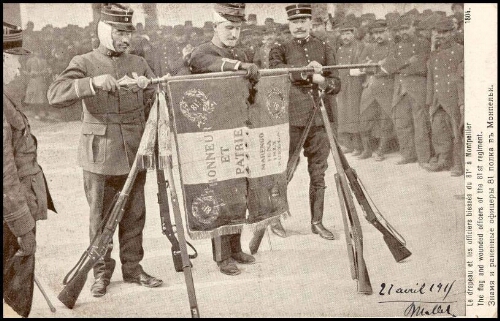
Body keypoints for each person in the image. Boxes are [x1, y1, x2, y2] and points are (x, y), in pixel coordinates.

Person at [47, 4, 162, 298]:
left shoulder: (138, 62)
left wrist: (153, 88)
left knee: (135, 214)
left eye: (129, 32)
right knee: (100, 218)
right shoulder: (84, 61)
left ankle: (134, 268)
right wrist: (91, 83)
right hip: (100, 154)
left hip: (135, 152)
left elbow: (156, 100)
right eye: (120, 32)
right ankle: (100, 272)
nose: (126, 39)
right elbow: (55, 94)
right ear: (105, 32)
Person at [189, 3, 259, 276]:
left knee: (238, 189)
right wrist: (239, 66)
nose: (233, 33)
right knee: (219, 191)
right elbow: (207, 65)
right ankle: (222, 256)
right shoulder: (203, 52)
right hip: (213, 132)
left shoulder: (241, 52)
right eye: (228, 27)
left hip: (238, 129)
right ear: (215, 27)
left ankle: (236, 246)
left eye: (237, 28)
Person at [265, 3, 341, 240]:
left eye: (303, 21)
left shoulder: (324, 47)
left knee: (318, 172)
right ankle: (274, 216)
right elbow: (276, 73)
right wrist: (306, 72)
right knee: (284, 169)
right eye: (294, 22)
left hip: (320, 119)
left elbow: (336, 84)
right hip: (292, 119)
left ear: (310, 23)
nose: (298, 26)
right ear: (289, 24)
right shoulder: (280, 49)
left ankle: (317, 222)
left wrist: (321, 80)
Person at [3, 20, 56, 318]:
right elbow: (6, 176)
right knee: (14, 300)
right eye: (14, 60)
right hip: (11, 218)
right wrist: (23, 228)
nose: (19, 68)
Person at [422, 18, 464, 174]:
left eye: (444, 32)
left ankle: (459, 164)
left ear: (452, 32)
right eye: (438, 32)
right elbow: (431, 78)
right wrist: (430, 100)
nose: (441, 36)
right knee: (439, 130)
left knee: (456, 132)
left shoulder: (461, 50)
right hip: (437, 99)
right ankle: (443, 160)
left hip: (453, 98)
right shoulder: (434, 54)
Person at [389, 16, 432, 166]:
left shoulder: (423, 43)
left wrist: (401, 66)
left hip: (417, 86)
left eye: (406, 28)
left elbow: (421, 66)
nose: (403, 32)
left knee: (420, 123)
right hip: (400, 87)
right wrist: (407, 63)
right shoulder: (396, 46)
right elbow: (390, 67)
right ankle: (408, 155)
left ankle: (424, 158)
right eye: (400, 29)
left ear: (413, 27)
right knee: (402, 122)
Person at [357, 20, 397, 161]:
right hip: (370, 84)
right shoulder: (369, 47)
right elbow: (361, 65)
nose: (378, 36)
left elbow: (391, 67)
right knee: (363, 116)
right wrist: (375, 66)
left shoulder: (393, 46)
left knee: (386, 118)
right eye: (375, 33)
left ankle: (381, 150)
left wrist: (374, 65)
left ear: (387, 31)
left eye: (381, 32)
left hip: (386, 85)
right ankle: (367, 149)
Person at [335, 17, 365, 156]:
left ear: (353, 33)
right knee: (343, 115)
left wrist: (352, 72)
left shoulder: (360, 47)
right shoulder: (340, 50)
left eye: (348, 33)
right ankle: (348, 145)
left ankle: (359, 146)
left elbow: (363, 68)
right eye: (343, 34)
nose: (345, 37)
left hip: (355, 85)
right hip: (343, 86)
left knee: (355, 115)